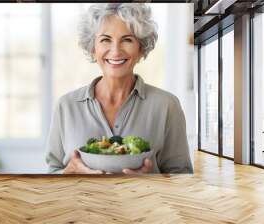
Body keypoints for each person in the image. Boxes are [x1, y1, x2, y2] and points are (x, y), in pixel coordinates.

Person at [45, 3, 193, 174]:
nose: (115, 52)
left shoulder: (167, 105)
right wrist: (66, 173)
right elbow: (52, 172)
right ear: (93, 48)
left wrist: (151, 180)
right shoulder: (66, 106)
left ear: (141, 49)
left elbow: (182, 177)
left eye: (127, 39)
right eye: (105, 40)